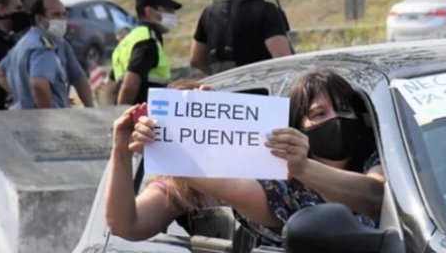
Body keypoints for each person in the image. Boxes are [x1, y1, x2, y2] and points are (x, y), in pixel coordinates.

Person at [104, 68, 384, 247]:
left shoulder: (380, 155)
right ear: (298, 128)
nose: (337, 121)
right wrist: (128, 148)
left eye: (344, 111)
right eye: (320, 114)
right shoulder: (276, 185)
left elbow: (375, 196)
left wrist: (304, 167)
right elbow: (125, 225)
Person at [0, 0, 94, 109]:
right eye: (55, 15)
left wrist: (20, 96)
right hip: (43, 122)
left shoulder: (31, 42)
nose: (62, 20)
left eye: (64, 14)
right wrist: (48, 114)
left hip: (22, 116)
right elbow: (39, 84)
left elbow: (79, 78)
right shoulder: (42, 46)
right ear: (39, 18)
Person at [111, 0, 182, 105]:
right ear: (149, 11)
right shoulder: (148, 40)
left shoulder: (128, 39)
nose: (173, 15)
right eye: (167, 10)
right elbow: (129, 85)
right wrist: (123, 114)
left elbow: (110, 87)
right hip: (142, 115)